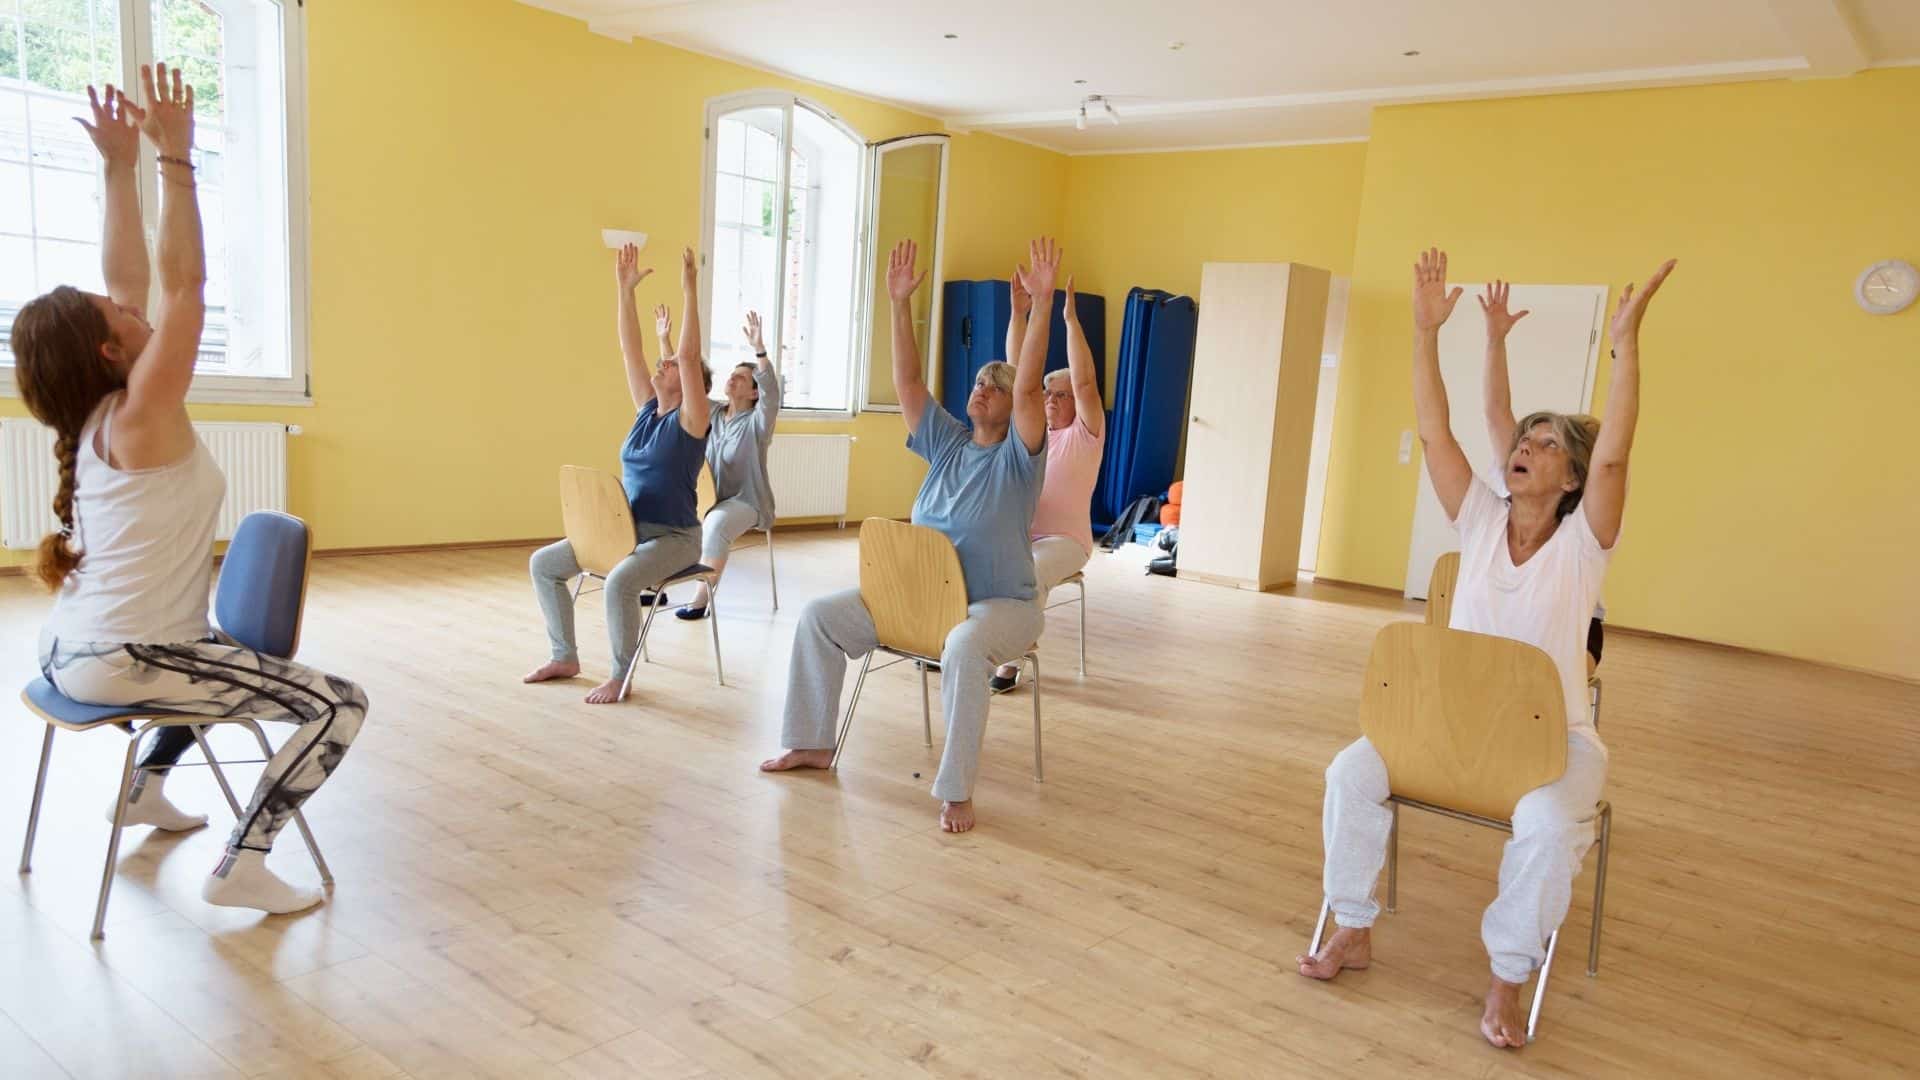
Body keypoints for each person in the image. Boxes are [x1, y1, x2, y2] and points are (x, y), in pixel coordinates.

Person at [1297, 248, 1674, 1049]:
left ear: (1571, 477)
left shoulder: (1583, 545)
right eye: (1522, 437)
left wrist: (1627, 344)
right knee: (1347, 775)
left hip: (1553, 746)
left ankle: (1508, 976)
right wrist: (1426, 333)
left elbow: (1616, 451)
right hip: (1447, 727)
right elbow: (1435, 427)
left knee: (1543, 827)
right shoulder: (1476, 516)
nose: (1524, 445)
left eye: (1544, 442)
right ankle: (1353, 927)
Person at [13, 68, 367, 915]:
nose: (134, 310)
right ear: (109, 351)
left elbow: (133, 281)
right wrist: (175, 160)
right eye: (118, 315)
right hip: (124, 663)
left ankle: (145, 787)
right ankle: (243, 864)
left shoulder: (97, 414)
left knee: (211, 651)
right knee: (338, 707)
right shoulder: (141, 411)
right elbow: (184, 289)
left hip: (71, 652)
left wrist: (114, 169)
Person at [759, 238, 1058, 833]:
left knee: (966, 647)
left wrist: (1040, 305)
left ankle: (956, 791)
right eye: (978, 382)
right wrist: (898, 304)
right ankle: (812, 743)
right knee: (820, 616)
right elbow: (909, 382)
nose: (982, 390)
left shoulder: (1021, 458)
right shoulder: (947, 442)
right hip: (922, 601)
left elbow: (1028, 389)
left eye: (994, 387)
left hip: (1000, 607)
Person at [525, 244, 711, 703]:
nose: (661, 364)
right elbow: (630, 349)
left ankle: (621, 676)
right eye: (661, 364)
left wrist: (690, 290)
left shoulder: (691, 423)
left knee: (622, 583)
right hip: (624, 531)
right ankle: (565, 656)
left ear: (691, 385)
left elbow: (687, 357)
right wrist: (624, 290)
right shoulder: (646, 411)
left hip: (673, 537)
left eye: (669, 366)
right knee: (544, 565)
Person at [1478, 280, 1605, 678]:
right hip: (1506, 618)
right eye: (1533, 440)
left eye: (1552, 445)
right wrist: (1495, 340)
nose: (1531, 447)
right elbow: (1496, 410)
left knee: (1544, 688)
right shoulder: (1512, 488)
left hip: (1575, 627)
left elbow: (1612, 463)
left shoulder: (1585, 526)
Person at [990, 272, 1104, 693]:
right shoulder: (1034, 431)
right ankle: (956, 641)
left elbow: (1086, 382)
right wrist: (1020, 313)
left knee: (1030, 570)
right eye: (1047, 394)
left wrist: (1070, 319)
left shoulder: (1086, 433)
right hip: (1022, 534)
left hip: (1065, 542)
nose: (1051, 400)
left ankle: (1012, 657)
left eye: (1061, 394)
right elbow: (1018, 371)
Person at [674, 310, 781, 619]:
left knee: (717, 524)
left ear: (753, 392)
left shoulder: (759, 423)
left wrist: (759, 350)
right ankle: (654, 584)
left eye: (741, 377)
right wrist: (666, 341)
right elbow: (685, 387)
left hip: (746, 502)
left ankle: (701, 598)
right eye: (731, 373)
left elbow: (772, 395)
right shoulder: (714, 414)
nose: (732, 378)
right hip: (708, 499)